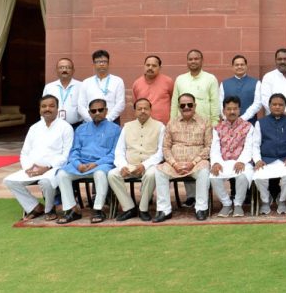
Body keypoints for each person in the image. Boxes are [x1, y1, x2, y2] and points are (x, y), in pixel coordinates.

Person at [4, 95, 74, 221]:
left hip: (54, 168)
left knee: (45, 182)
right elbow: (24, 152)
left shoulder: (65, 127)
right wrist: (28, 168)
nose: (47, 109)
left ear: (58, 109)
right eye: (44, 106)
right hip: (32, 168)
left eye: (51, 106)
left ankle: (49, 209)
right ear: (39, 109)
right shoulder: (34, 128)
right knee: (9, 181)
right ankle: (35, 207)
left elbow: (66, 155)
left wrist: (47, 167)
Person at [56, 98, 121, 224]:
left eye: (100, 110)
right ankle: (72, 210)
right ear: (89, 113)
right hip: (81, 165)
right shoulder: (81, 129)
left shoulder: (115, 129)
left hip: (101, 164)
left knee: (100, 174)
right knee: (62, 174)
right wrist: (77, 164)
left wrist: (96, 163)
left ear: (106, 111)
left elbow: (115, 153)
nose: (97, 113)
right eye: (93, 111)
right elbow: (74, 151)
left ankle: (98, 209)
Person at [154, 93, 212, 222]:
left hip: (197, 163)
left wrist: (193, 162)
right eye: (183, 105)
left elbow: (208, 146)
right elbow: (165, 147)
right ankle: (164, 209)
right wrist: (174, 164)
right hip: (175, 164)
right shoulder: (171, 123)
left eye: (189, 105)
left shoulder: (205, 122)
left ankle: (201, 208)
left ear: (195, 106)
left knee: (204, 171)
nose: (186, 107)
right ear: (179, 107)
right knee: (159, 170)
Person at [107, 98, 165, 222]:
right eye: (139, 109)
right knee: (112, 174)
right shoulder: (127, 127)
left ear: (150, 110)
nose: (143, 111)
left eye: (146, 108)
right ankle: (129, 207)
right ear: (135, 111)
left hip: (149, 165)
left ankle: (143, 209)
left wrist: (144, 165)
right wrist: (123, 166)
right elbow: (119, 151)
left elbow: (161, 152)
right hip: (129, 164)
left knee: (151, 174)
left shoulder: (160, 127)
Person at [210, 96, 254, 218]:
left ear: (240, 110)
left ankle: (238, 204)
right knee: (213, 176)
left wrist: (242, 161)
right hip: (223, 162)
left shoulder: (248, 127)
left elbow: (249, 147)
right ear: (224, 110)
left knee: (243, 175)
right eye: (228, 109)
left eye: (235, 109)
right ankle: (226, 204)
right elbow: (215, 148)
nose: (232, 112)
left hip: (242, 161)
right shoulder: (217, 128)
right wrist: (216, 162)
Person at [252, 93, 286, 215]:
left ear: (285, 106)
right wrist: (257, 160)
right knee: (259, 176)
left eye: (280, 105)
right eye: (274, 104)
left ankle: (282, 200)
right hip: (266, 160)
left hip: (285, 159)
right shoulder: (260, 123)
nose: (277, 107)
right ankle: (266, 200)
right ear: (269, 106)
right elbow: (255, 145)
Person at [171, 49, 219, 127]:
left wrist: (214, 123)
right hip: (182, 125)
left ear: (202, 61)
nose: (193, 61)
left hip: (204, 125)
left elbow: (215, 103)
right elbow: (175, 104)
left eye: (196, 59)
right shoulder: (180, 79)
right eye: (190, 59)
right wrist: (172, 122)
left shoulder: (211, 79)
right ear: (187, 61)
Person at [78, 50, 125, 123]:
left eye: (104, 61)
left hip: (111, 121)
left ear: (109, 63)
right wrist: (92, 120)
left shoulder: (117, 81)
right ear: (93, 64)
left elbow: (120, 104)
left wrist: (107, 119)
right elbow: (81, 106)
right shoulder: (86, 82)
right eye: (98, 62)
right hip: (90, 122)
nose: (101, 64)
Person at [218, 55, 263, 123]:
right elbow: (220, 103)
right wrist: (227, 117)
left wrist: (243, 118)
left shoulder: (256, 83)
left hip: (249, 122)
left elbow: (258, 103)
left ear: (246, 66)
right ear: (232, 67)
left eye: (242, 64)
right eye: (237, 65)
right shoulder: (224, 84)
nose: (239, 67)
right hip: (228, 123)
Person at [131, 55, 174, 124]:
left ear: (160, 68)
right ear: (144, 66)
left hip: (164, 124)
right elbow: (135, 105)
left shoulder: (168, 82)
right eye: (148, 65)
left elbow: (174, 102)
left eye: (154, 66)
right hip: (144, 124)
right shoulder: (137, 83)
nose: (150, 68)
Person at [42, 58, 82, 127]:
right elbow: (44, 107)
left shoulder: (81, 86)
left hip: (76, 126)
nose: (64, 70)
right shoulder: (49, 87)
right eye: (61, 67)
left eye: (67, 67)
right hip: (54, 126)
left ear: (73, 70)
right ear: (56, 70)